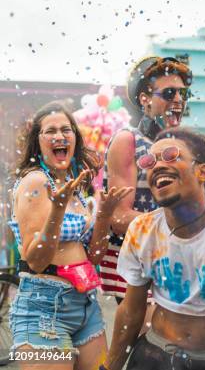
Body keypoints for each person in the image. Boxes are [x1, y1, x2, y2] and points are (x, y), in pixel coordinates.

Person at [103, 128, 205, 370]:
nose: (157, 165)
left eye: (171, 155)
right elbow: (131, 311)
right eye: (150, 161)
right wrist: (109, 367)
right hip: (154, 358)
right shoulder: (142, 230)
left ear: (202, 171)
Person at [8, 102, 130, 370]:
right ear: (37, 142)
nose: (59, 136)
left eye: (66, 130)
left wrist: (104, 216)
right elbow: (36, 260)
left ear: (75, 138)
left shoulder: (75, 189)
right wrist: (57, 211)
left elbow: (95, 256)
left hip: (86, 306)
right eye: (50, 131)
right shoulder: (35, 182)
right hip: (43, 309)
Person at [99, 56, 192, 310]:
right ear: (145, 99)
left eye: (183, 94)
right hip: (134, 266)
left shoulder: (183, 147)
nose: (178, 100)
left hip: (173, 265)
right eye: (169, 93)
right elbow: (118, 219)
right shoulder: (128, 140)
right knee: (148, 346)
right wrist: (180, 223)